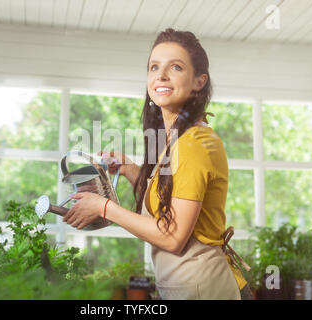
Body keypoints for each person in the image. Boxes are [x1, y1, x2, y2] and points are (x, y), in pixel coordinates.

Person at [63, 28, 252, 300]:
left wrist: (105, 208)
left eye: (175, 67)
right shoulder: (175, 140)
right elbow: (165, 208)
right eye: (154, 67)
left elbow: (172, 237)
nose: (160, 75)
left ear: (199, 81)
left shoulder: (193, 144)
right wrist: (128, 168)